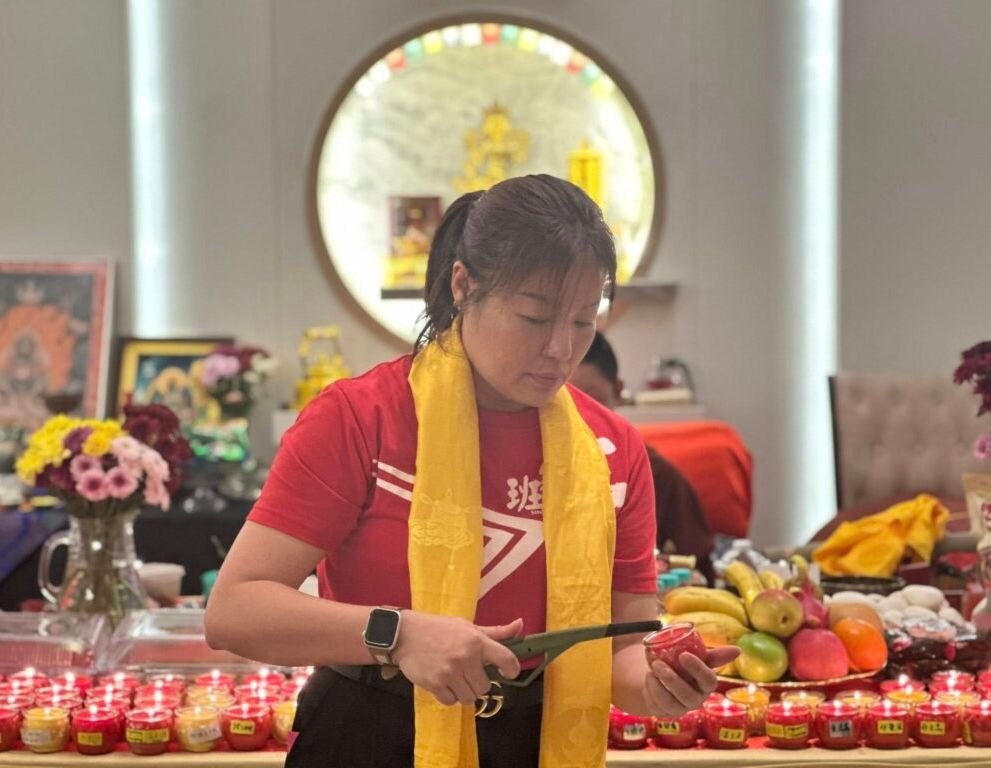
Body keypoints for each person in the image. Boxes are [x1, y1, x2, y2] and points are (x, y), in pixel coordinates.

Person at [205, 175, 737, 768]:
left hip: (537, 741)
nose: (560, 349)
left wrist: (659, 689)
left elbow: (621, 651)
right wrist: (399, 634)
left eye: (584, 321)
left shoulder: (612, 450)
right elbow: (235, 611)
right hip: (371, 732)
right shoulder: (360, 418)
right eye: (534, 318)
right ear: (463, 285)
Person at [570, 332, 716, 581]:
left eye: (593, 400)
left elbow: (701, 577)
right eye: (566, 403)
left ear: (618, 391)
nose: (582, 416)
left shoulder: (657, 476)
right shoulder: (533, 473)